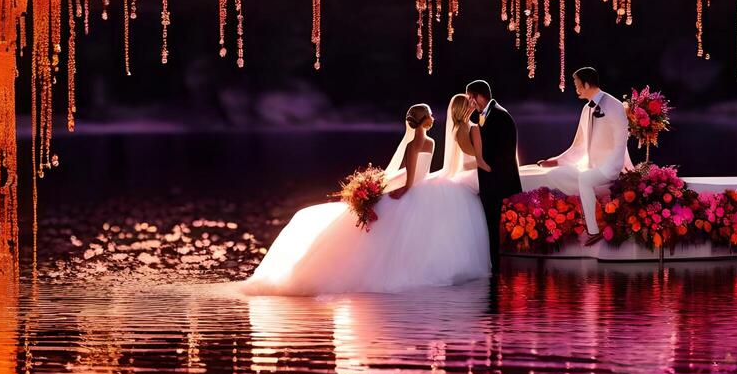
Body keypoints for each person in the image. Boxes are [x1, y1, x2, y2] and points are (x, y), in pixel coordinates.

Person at [241, 103, 490, 296]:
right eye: (429, 115)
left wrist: (406, 187)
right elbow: (414, 175)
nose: (433, 118)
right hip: (416, 186)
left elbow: (414, 175)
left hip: (417, 186)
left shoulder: (422, 142)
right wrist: (403, 190)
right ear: (423, 121)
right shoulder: (423, 143)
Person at [524, 66, 633, 246]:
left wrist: (609, 170)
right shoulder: (586, 109)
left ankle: (593, 230)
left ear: (587, 84)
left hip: (612, 167)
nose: (575, 88)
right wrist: (555, 161)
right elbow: (579, 146)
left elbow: (620, 143)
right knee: (556, 174)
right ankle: (579, 217)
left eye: (577, 84)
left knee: (585, 179)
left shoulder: (614, 105)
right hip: (593, 167)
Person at [465, 80, 522, 269]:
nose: (468, 103)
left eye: (469, 98)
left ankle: (495, 267)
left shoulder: (500, 116)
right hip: (491, 181)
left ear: (477, 97)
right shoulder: (486, 115)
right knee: (490, 225)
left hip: (498, 181)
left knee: (493, 225)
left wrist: (489, 170)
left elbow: (505, 153)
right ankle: (493, 265)